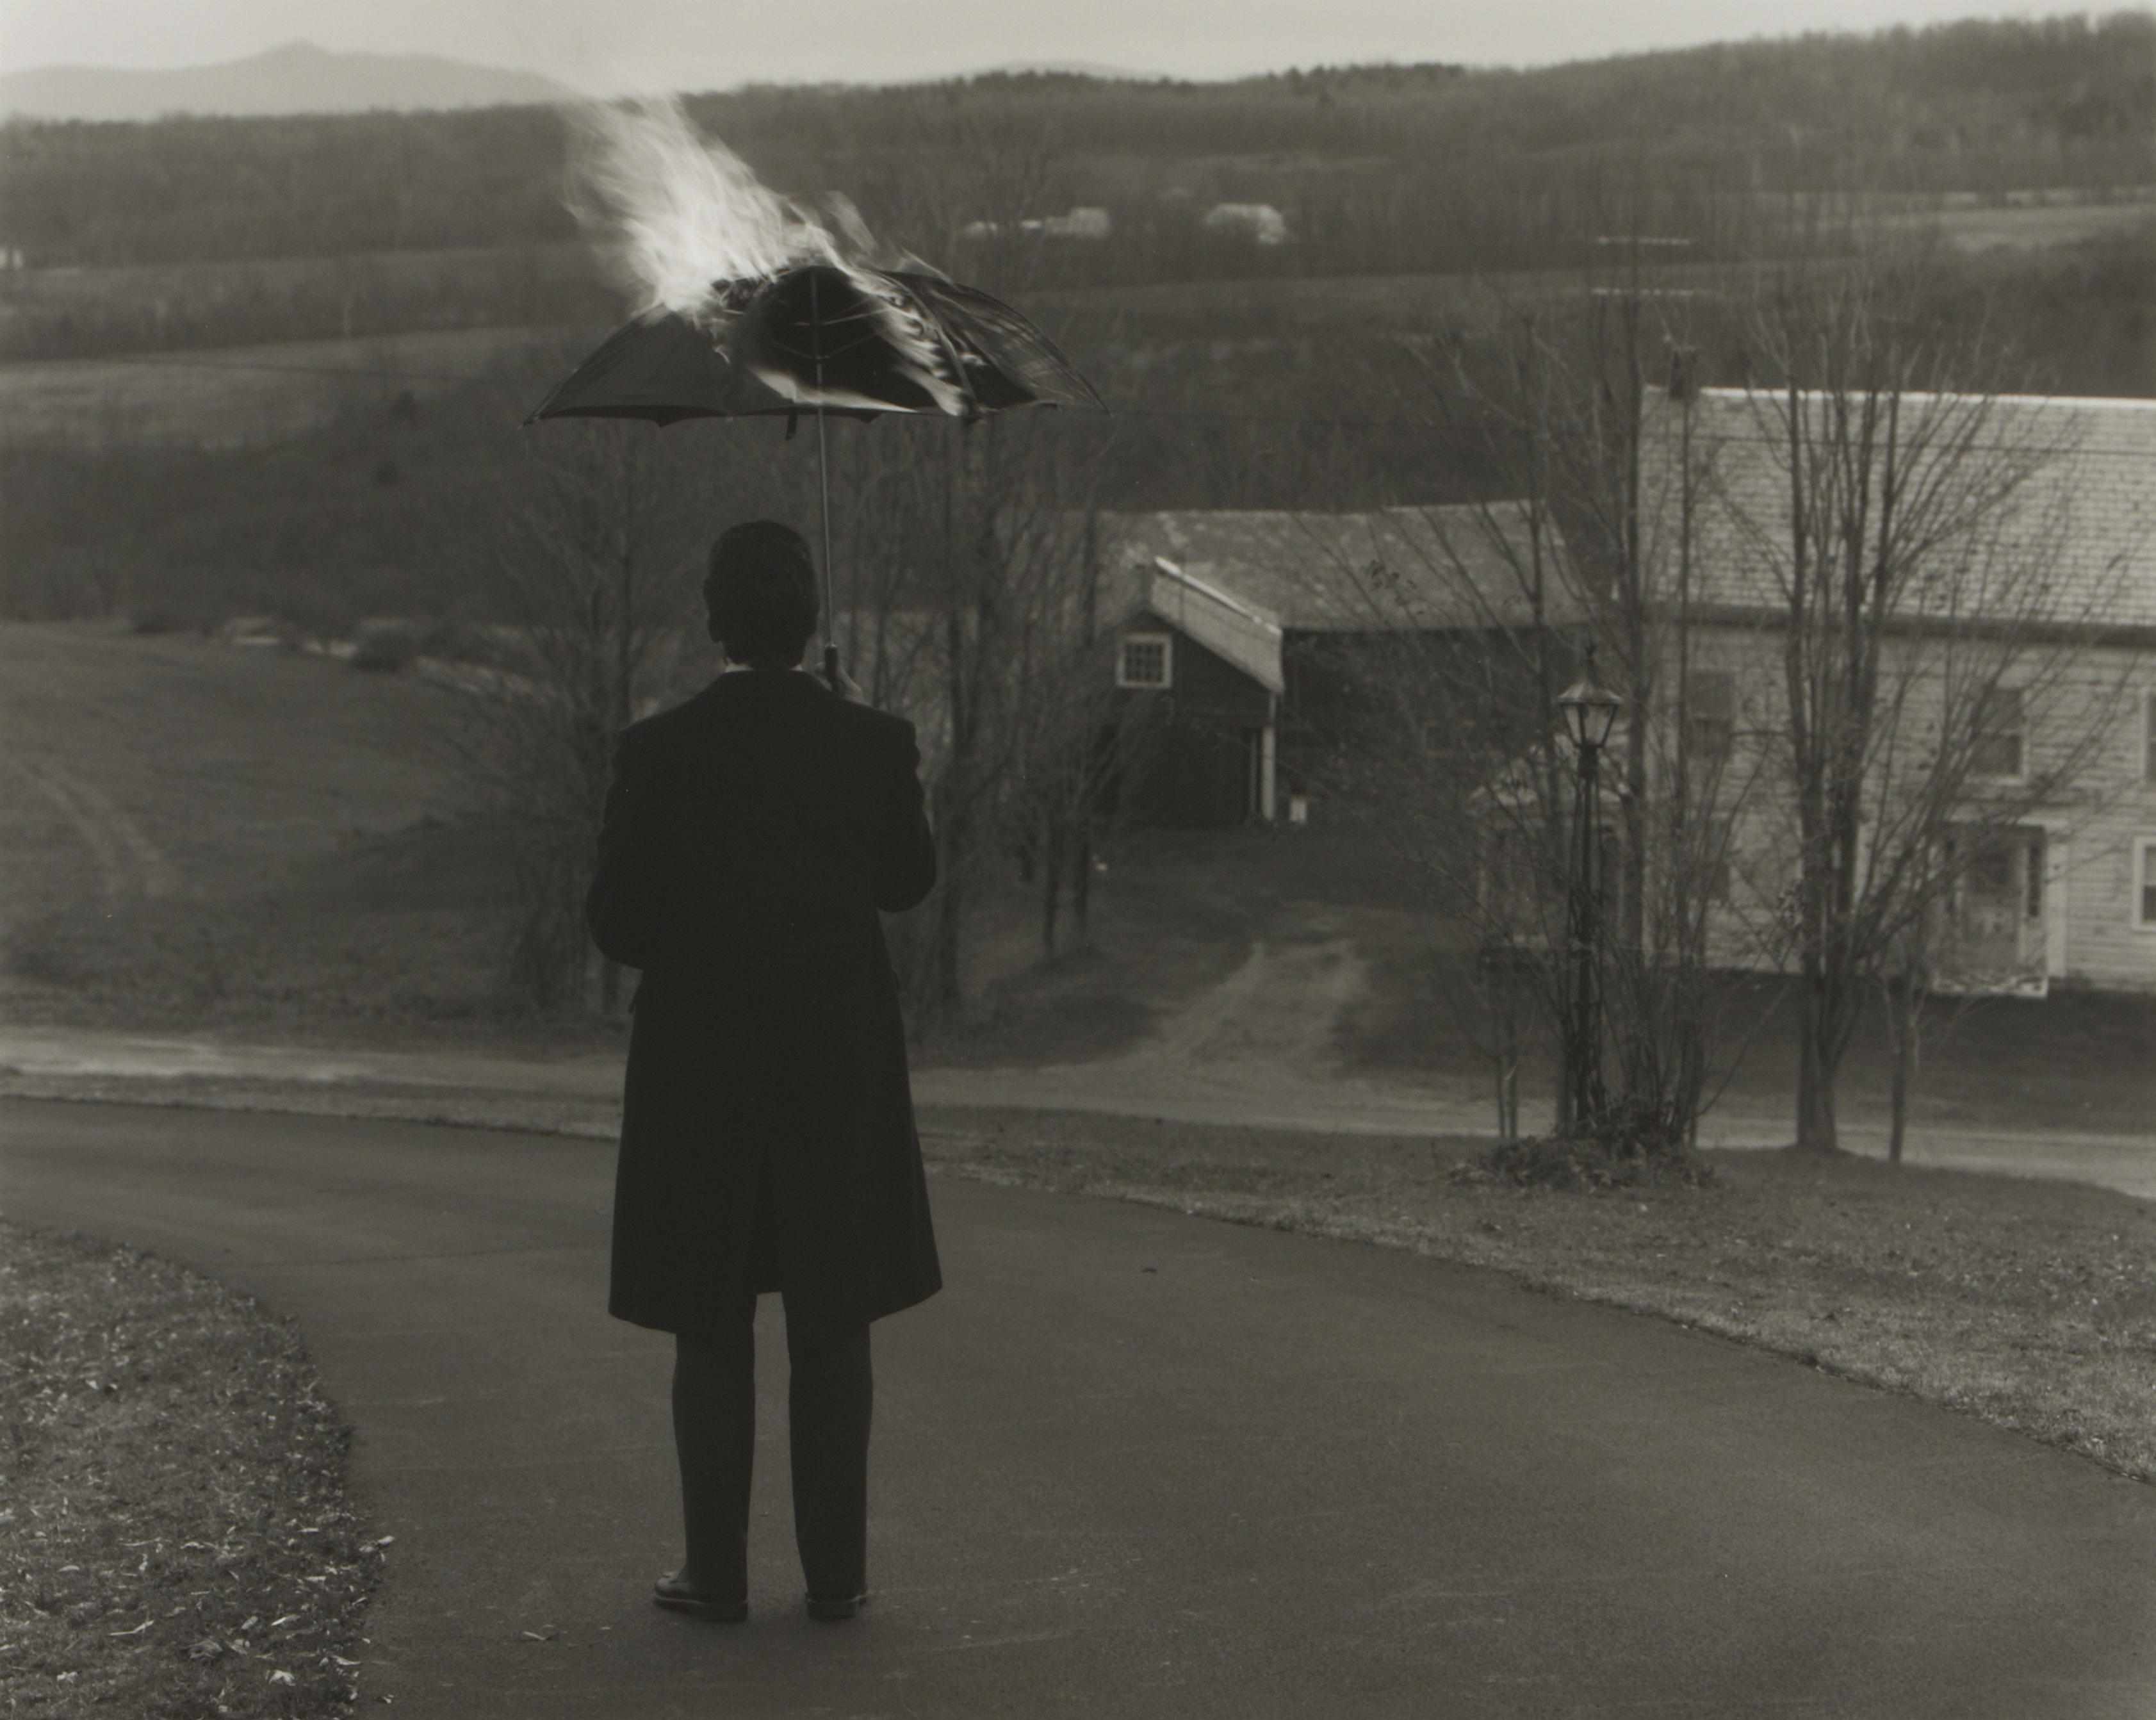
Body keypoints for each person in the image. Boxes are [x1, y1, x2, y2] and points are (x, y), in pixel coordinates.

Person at [585, 519, 940, 1625]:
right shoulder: (872, 742)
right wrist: (858, 736)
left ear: (711, 617)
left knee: (711, 1311)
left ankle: (715, 1572)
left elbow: (618, 923)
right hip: (835, 1069)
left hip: (699, 1068)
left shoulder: (657, 751)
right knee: (834, 1315)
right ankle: (836, 1576)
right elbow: (906, 882)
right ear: (812, 620)